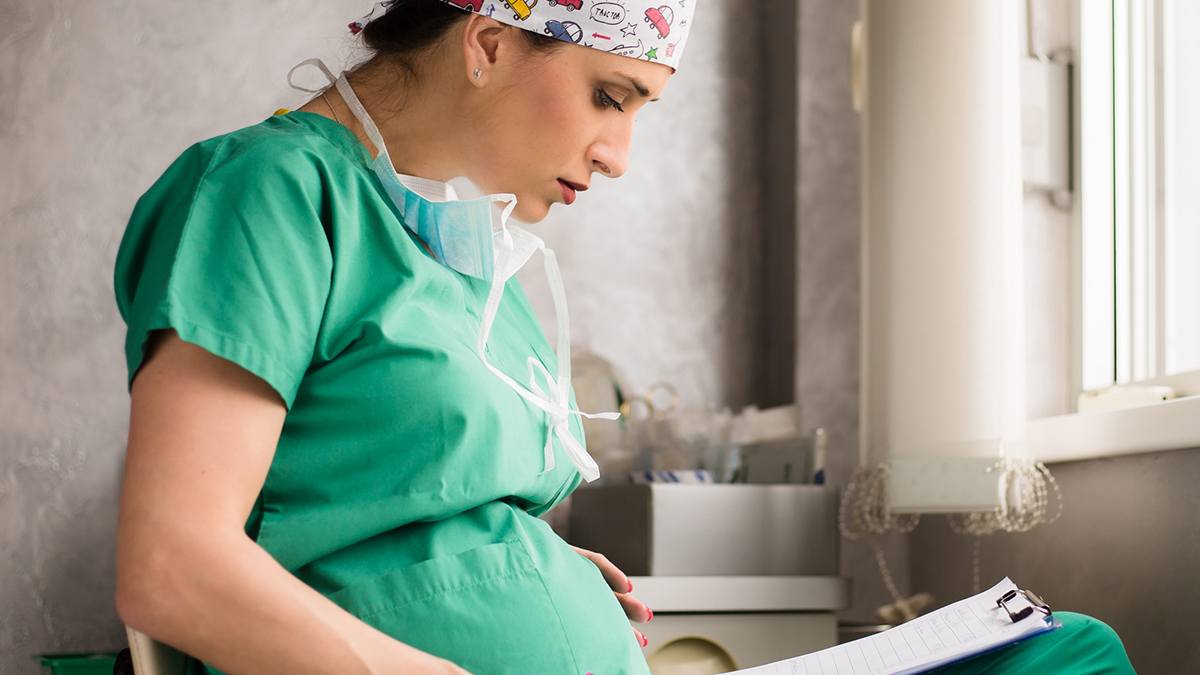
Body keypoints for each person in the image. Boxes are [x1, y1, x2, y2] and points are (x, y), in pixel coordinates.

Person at [112, 1, 1136, 674]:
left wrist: (528, 564)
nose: (619, 157)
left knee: (1061, 651)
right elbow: (172, 563)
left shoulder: (473, 252)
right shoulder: (268, 195)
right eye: (612, 97)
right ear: (488, 39)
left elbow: (400, 494)